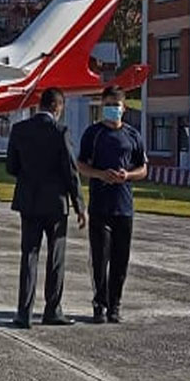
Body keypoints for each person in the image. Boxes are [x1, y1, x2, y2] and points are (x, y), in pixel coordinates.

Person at [5, 87, 86, 328]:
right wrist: (80, 205)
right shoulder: (60, 131)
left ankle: (24, 312)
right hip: (55, 203)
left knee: (29, 255)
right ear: (56, 106)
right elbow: (71, 171)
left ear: (40, 105)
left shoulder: (19, 129)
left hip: (29, 201)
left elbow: (11, 167)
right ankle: (52, 310)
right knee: (55, 258)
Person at [76, 85, 147, 324]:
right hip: (100, 205)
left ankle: (115, 305)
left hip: (123, 206)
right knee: (100, 258)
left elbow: (143, 169)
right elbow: (81, 165)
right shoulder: (93, 134)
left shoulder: (133, 135)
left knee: (120, 259)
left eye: (115, 106)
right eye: (107, 105)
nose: (111, 109)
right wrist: (99, 174)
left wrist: (127, 175)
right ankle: (99, 303)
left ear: (124, 108)